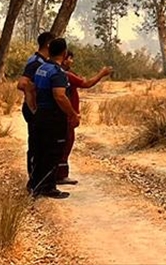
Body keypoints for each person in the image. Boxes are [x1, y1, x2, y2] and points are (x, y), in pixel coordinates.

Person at [29, 37, 77, 199]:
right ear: (64, 53)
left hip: (40, 114)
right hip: (54, 118)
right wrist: (72, 114)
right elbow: (60, 96)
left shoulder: (41, 68)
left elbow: (31, 89)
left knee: (40, 151)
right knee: (53, 153)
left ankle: (35, 185)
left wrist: (34, 108)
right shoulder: (58, 72)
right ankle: (48, 187)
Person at [56, 50, 112, 185]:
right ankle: (61, 175)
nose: (71, 61)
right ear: (63, 59)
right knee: (66, 144)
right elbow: (86, 83)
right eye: (69, 58)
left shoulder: (57, 73)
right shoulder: (65, 75)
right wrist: (102, 74)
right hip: (67, 116)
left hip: (59, 115)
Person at [17, 31, 55, 183]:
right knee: (36, 145)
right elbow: (22, 84)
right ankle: (34, 181)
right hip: (34, 110)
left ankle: (39, 179)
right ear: (48, 44)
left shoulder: (41, 61)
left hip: (37, 109)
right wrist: (34, 95)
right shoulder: (36, 62)